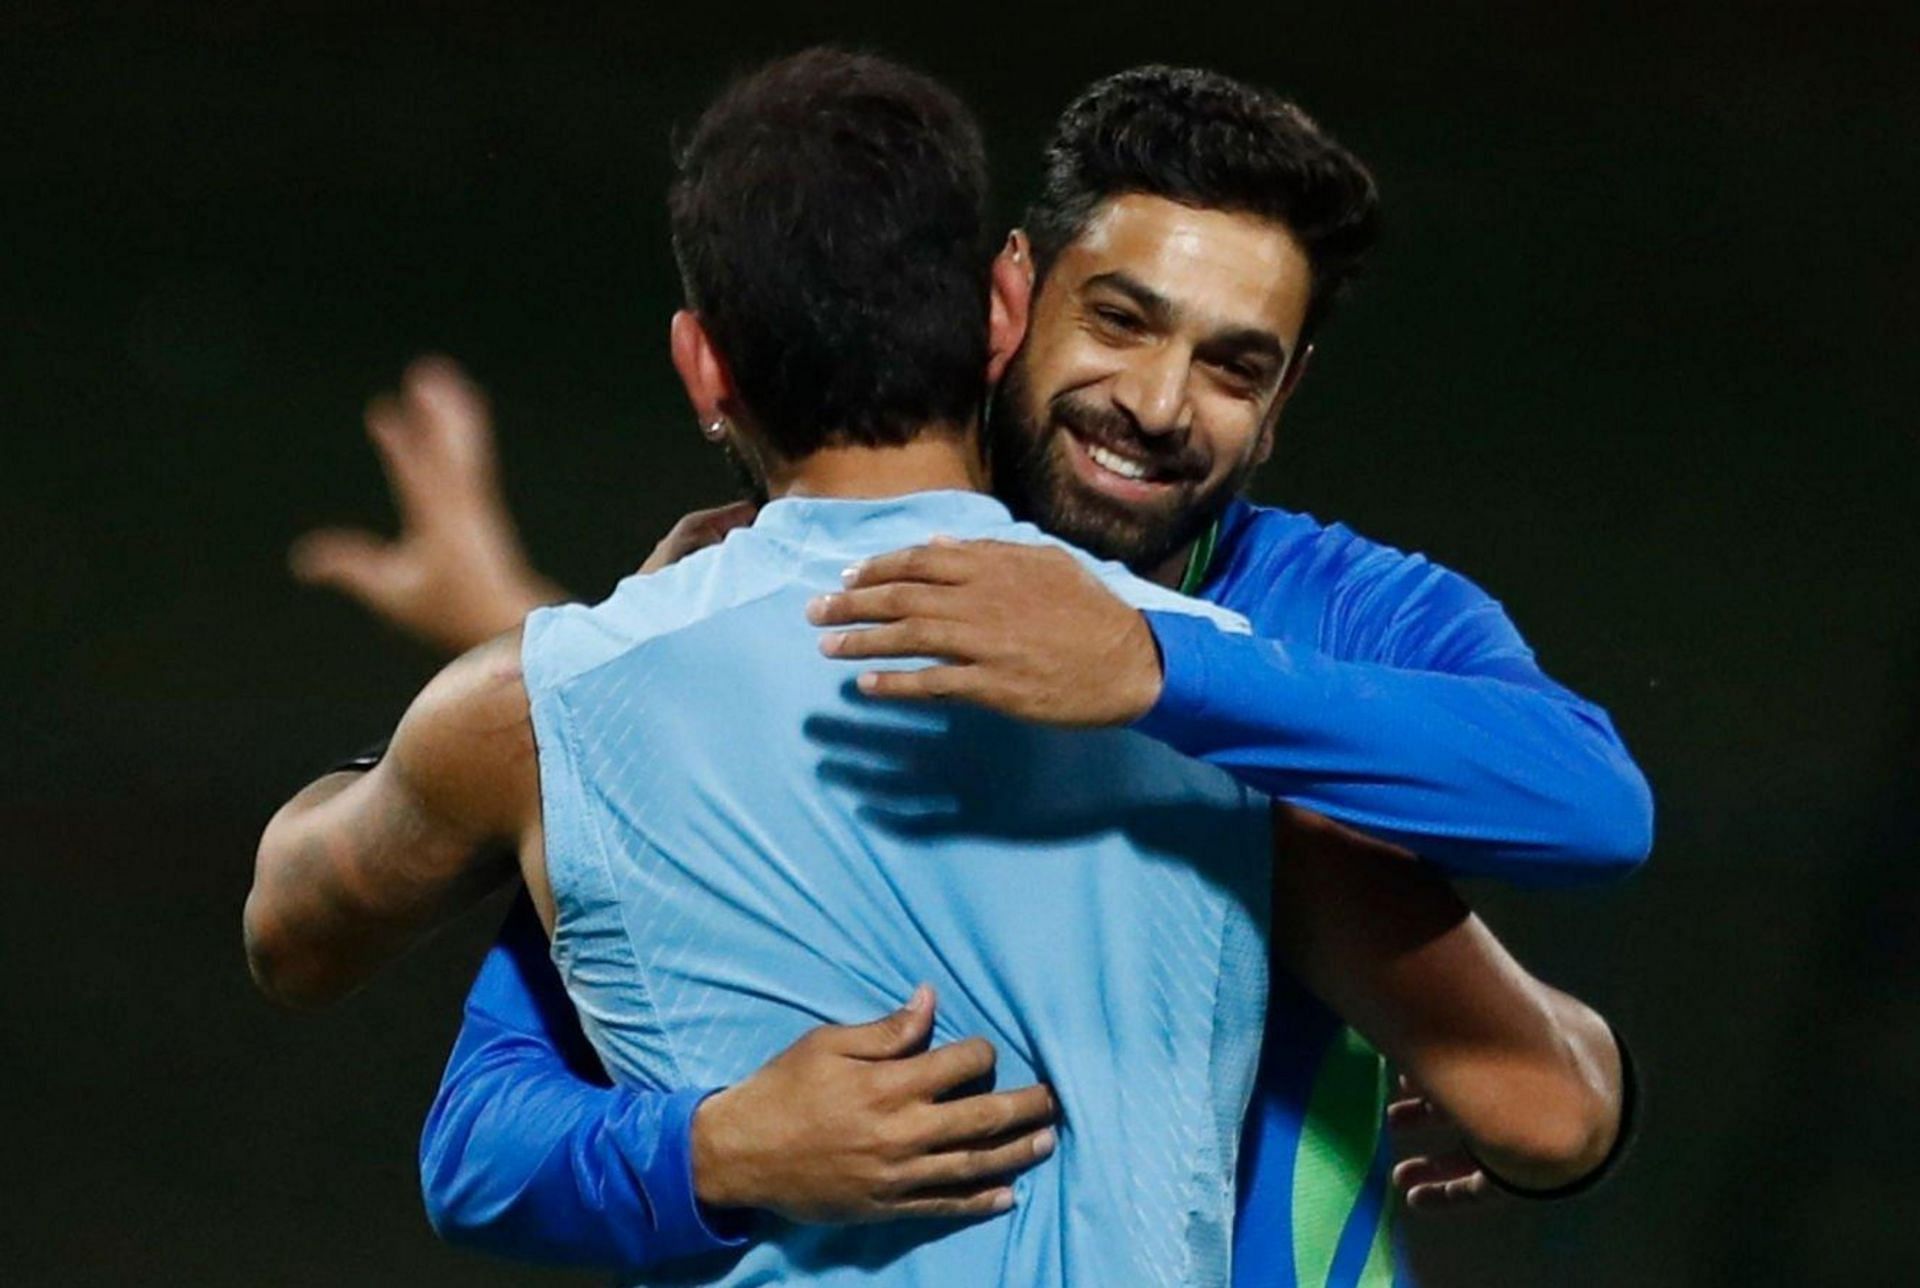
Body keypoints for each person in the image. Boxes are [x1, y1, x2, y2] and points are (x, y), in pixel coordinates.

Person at [277, 61, 1645, 1285]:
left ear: (1284, 404)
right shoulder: (743, 619)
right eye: (1121, 319)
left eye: (1234, 367)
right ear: (1012, 297)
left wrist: (1155, 670)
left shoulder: (1312, 626)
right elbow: (482, 1140)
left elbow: (1589, 837)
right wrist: (712, 1152)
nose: (1160, 406)